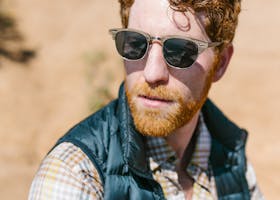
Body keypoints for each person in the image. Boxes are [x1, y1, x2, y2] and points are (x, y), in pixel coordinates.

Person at [28, 0, 264, 199]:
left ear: (220, 62)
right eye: (135, 43)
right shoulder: (75, 174)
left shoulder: (234, 163)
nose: (152, 73)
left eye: (180, 51)